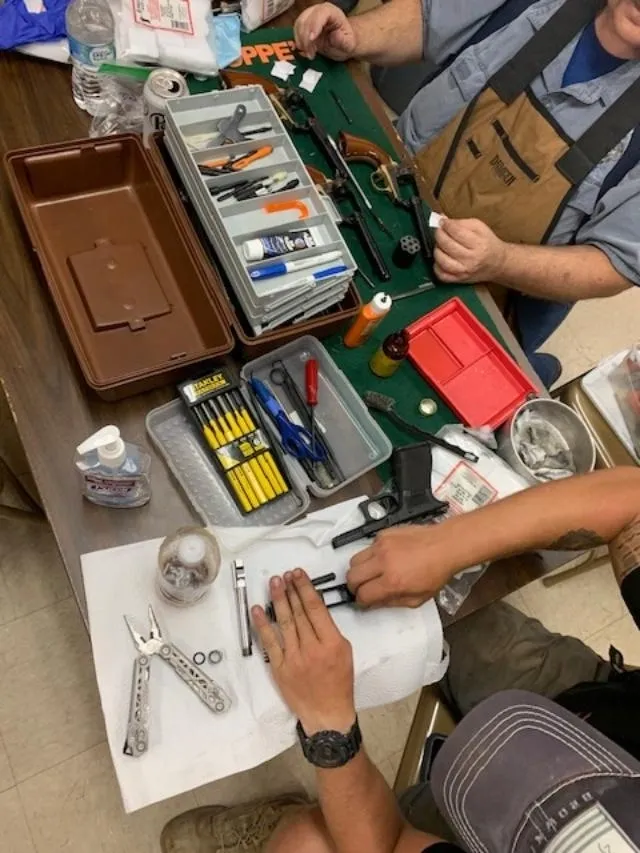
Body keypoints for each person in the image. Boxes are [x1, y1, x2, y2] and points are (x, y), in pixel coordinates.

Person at [160, 468, 640, 852]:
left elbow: (389, 843)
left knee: (305, 842)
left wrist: (330, 728)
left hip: (482, 828)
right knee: (429, 605)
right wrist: (446, 545)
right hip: (588, 702)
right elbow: (631, 500)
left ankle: (291, 818)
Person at [294, 0, 640, 387]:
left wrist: (499, 260)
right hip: (378, 191)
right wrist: (356, 35)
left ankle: (533, 368)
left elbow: (613, 265)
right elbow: (428, 21)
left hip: (475, 291)